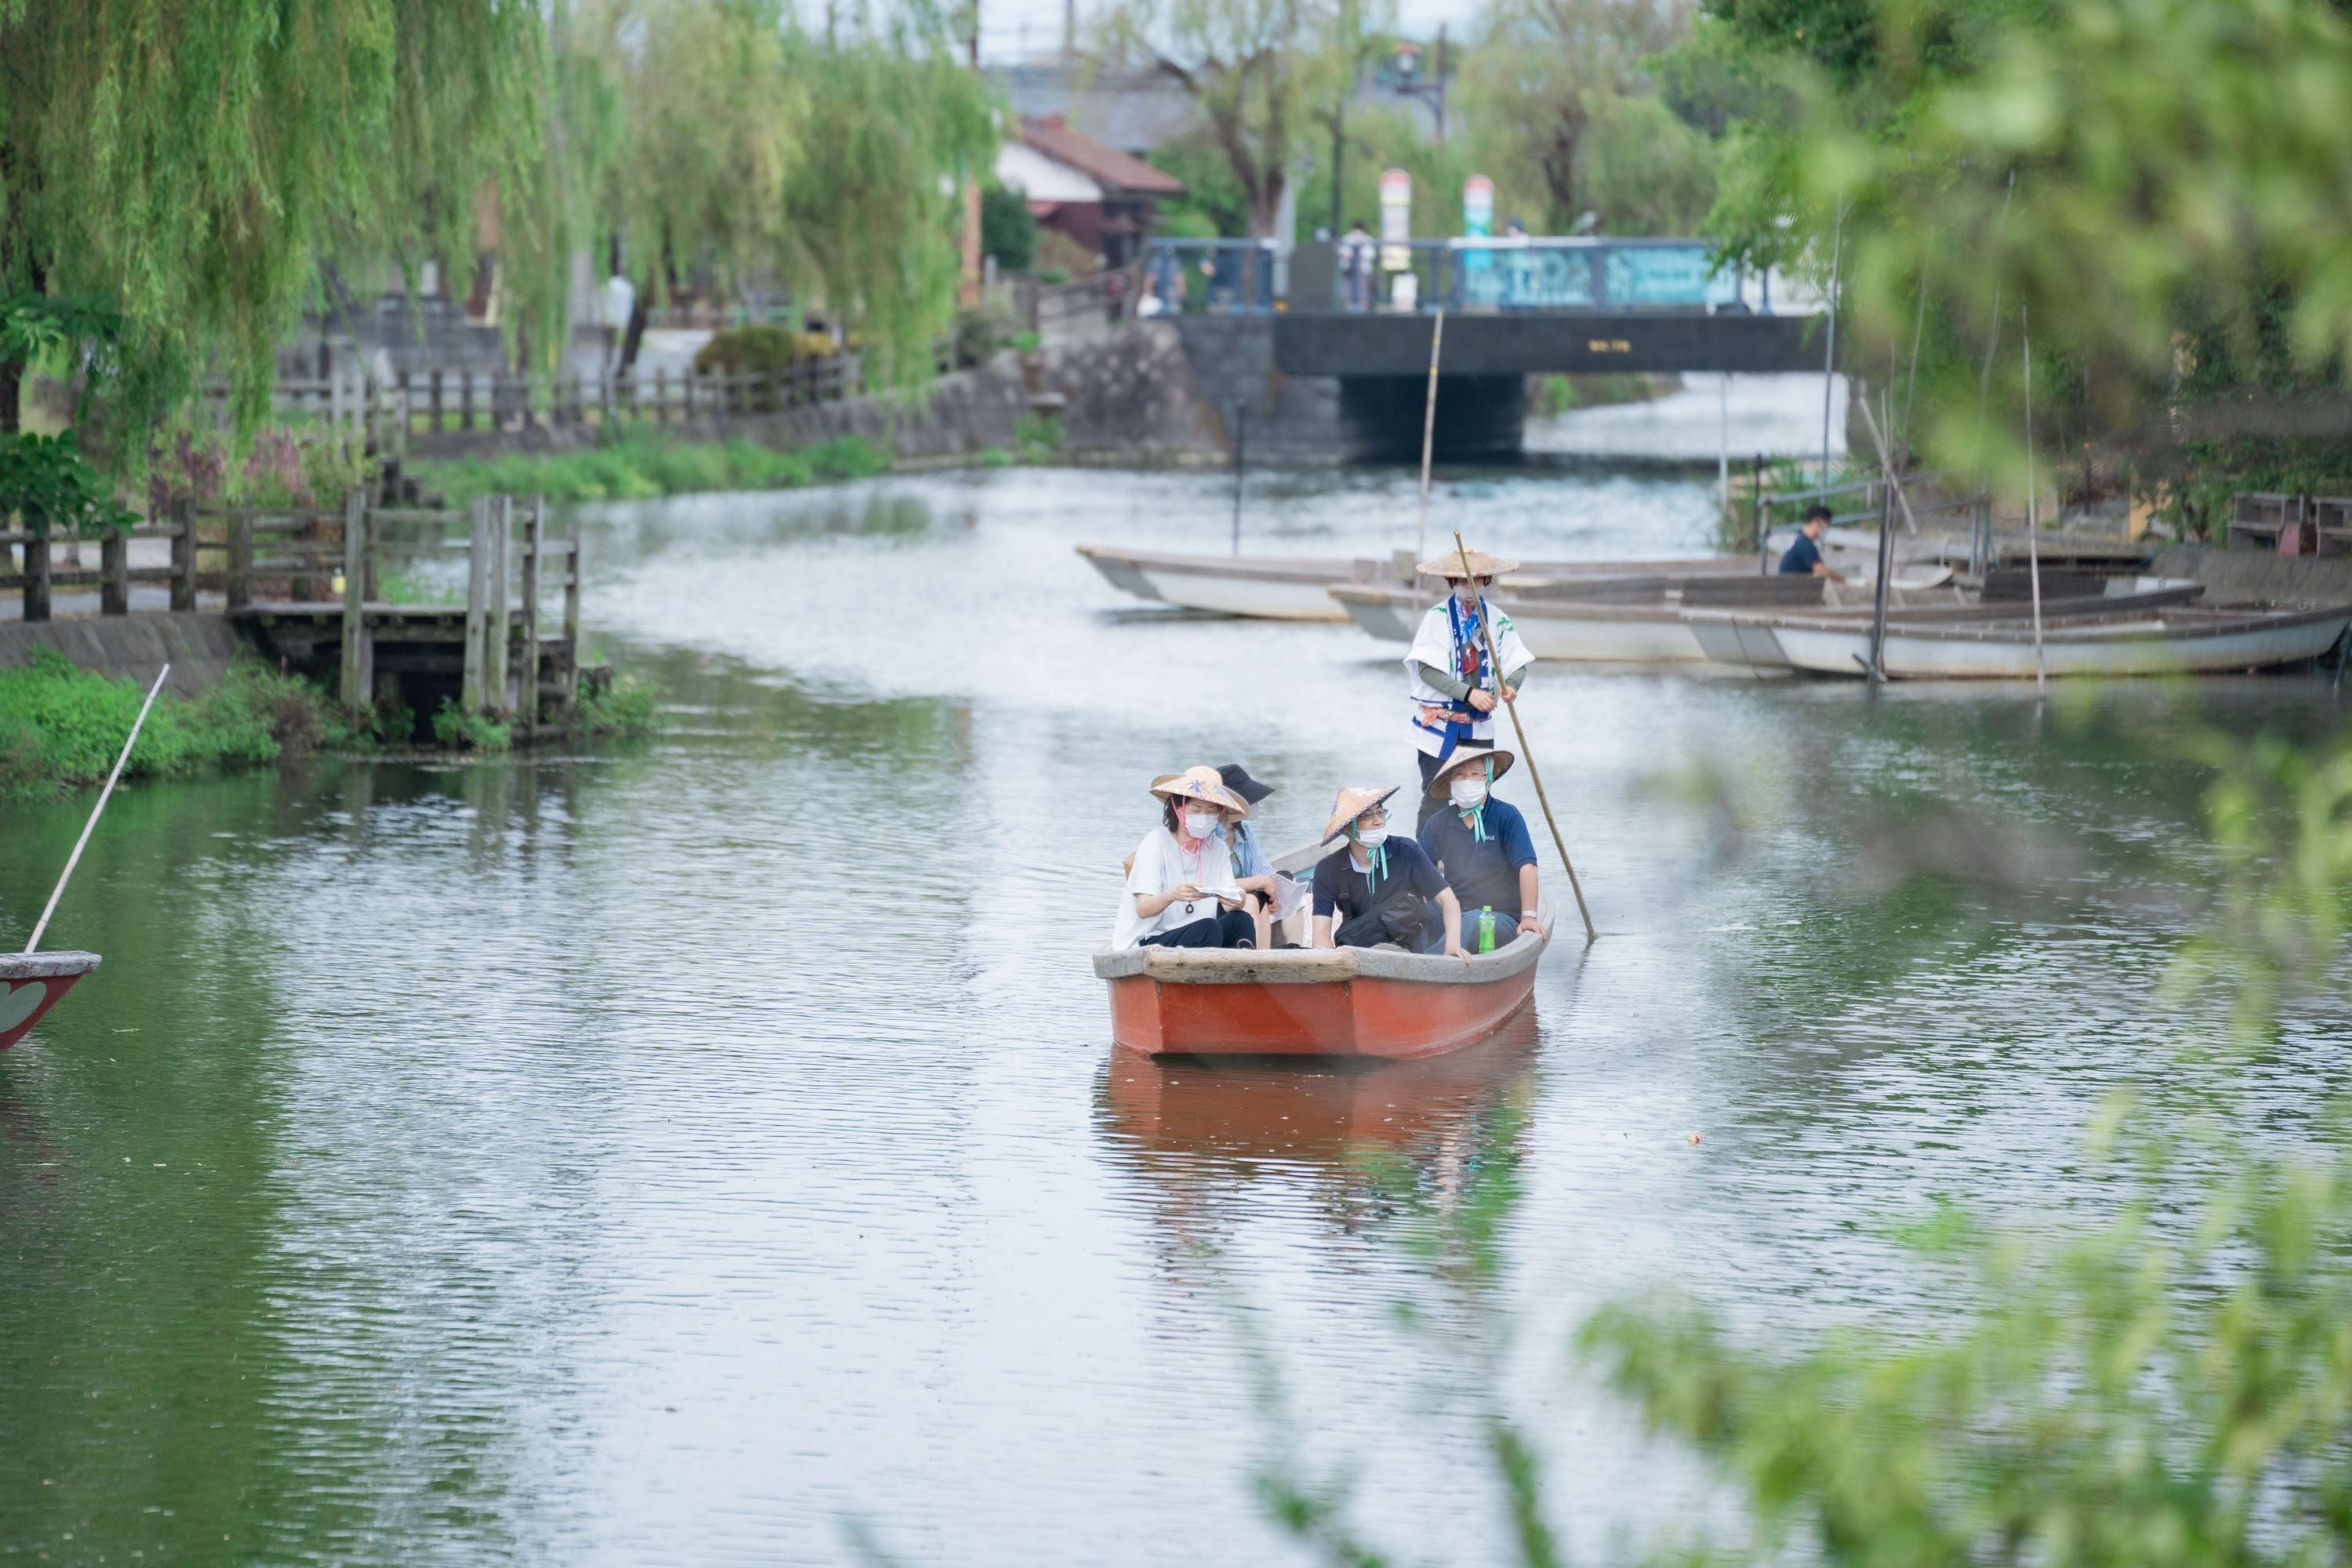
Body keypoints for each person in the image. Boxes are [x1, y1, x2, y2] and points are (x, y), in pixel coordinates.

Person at [1403, 544, 1536, 829]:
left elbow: (1518, 661)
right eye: (1462, 579)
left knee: (1477, 797)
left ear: (1486, 579)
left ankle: (1474, 854)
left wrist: (1512, 686)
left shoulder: (1497, 619)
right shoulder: (1437, 617)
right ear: (1453, 580)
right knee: (1436, 798)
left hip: (1479, 726)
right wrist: (1469, 694)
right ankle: (1426, 854)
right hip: (1440, 726)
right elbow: (1426, 670)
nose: (1469, 584)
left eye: (1475, 578)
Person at [1113, 767, 1272, 950]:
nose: (1204, 817)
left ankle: (1244, 966)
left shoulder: (1218, 848)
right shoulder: (1156, 842)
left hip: (1200, 935)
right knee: (1209, 927)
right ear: (1178, 808)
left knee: (1241, 919)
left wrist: (1239, 900)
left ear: (1219, 814)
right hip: (1151, 939)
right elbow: (1144, 909)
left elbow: (1229, 903)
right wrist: (1172, 895)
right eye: (1196, 810)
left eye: (1211, 811)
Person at [1310, 786, 1467, 958]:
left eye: (1380, 812)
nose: (1378, 821)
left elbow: (1449, 900)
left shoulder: (1407, 851)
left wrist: (1452, 946)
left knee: (1386, 951)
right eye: (1367, 816)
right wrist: (1328, 961)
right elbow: (1321, 932)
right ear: (1347, 828)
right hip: (1355, 954)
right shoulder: (1328, 868)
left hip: (1406, 953)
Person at [1416, 743, 1541, 949]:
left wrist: (1528, 917)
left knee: (1476, 920)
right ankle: (1413, 955)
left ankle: (1426, 965)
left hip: (1499, 917)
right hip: (1454, 911)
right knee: (1413, 907)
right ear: (1451, 781)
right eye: (1459, 774)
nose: (1467, 780)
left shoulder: (1507, 816)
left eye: (1475, 774)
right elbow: (1419, 872)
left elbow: (1527, 866)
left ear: (1489, 780)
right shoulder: (1438, 823)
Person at [1210, 762, 1295, 943]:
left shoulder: (1244, 830)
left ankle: (1297, 951)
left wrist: (1274, 891)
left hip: (1246, 897)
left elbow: (1264, 872)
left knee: (1294, 899)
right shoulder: (1209, 834)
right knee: (1251, 900)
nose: (1254, 805)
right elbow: (1213, 885)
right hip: (1219, 904)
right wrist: (1260, 882)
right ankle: (1256, 957)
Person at [1778, 503, 1846, 581]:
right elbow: (1822, 571)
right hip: (1791, 586)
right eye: (1826, 524)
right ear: (1817, 521)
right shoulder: (1805, 544)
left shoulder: (1800, 540)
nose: (1826, 529)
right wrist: (1844, 581)